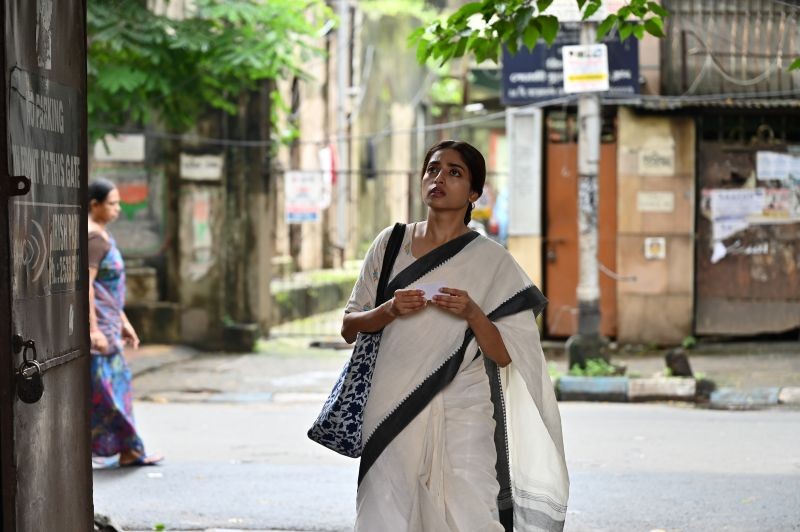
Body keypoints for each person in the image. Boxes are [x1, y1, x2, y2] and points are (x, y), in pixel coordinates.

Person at [341, 140, 569, 531]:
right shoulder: (390, 244)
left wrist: (473, 313)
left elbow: (506, 355)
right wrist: (389, 309)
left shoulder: (492, 260)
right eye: (432, 169)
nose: (439, 178)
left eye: (454, 172)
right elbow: (349, 327)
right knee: (386, 515)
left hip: (465, 408)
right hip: (391, 405)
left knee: (470, 515)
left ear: (474, 193)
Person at [88, 178, 162, 467]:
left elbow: (108, 289)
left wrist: (123, 321)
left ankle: (130, 449)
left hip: (109, 324)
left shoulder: (101, 235)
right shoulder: (94, 239)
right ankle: (130, 448)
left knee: (116, 387)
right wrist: (93, 329)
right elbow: (87, 286)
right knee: (109, 392)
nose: (118, 208)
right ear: (94, 205)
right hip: (100, 331)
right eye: (112, 203)